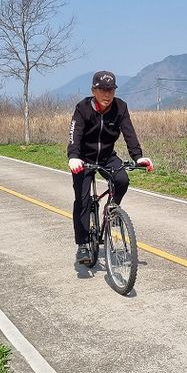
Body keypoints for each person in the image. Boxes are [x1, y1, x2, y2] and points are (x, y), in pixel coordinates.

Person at [68, 71, 153, 265]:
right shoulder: (83, 108)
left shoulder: (120, 107)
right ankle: (83, 244)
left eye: (111, 90)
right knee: (82, 200)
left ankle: (111, 208)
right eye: (103, 89)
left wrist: (138, 157)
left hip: (107, 157)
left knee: (122, 180)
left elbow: (129, 132)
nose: (107, 94)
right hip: (84, 158)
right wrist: (73, 157)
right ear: (94, 90)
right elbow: (75, 134)